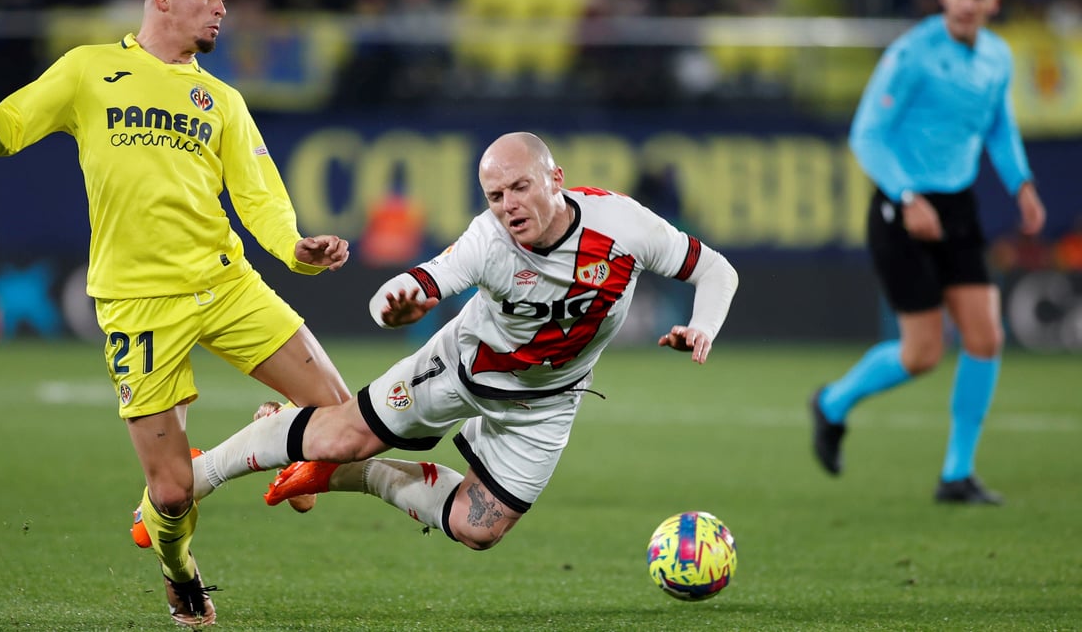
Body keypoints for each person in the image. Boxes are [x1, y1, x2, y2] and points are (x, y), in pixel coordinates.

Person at [0, 0, 353, 628]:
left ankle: (275, 435)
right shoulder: (89, 70)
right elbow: (4, 133)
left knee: (341, 414)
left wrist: (299, 253)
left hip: (224, 283)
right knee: (173, 490)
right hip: (138, 302)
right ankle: (180, 573)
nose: (222, 8)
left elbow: (263, 203)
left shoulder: (222, 99)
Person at [179, 131, 738, 552]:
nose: (509, 204)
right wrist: (394, 307)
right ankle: (197, 475)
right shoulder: (488, 239)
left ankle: (353, 475)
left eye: (520, 187)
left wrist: (703, 327)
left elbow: (715, 270)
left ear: (556, 179)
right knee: (345, 434)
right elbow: (417, 282)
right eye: (495, 194)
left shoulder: (624, 227)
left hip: (548, 401)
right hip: (459, 367)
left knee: (478, 529)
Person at [809, 0, 1047, 505]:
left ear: (993, 2)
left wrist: (1023, 183)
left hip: (957, 207)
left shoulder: (997, 57)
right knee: (922, 354)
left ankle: (956, 475)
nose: (966, 4)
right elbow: (867, 135)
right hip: (902, 210)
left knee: (987, 337)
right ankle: (832, 404)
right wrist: (907, 196)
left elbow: (998, 126)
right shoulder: (911, 54)